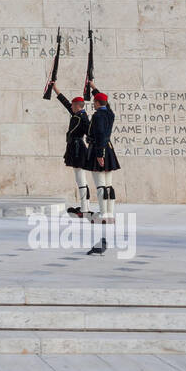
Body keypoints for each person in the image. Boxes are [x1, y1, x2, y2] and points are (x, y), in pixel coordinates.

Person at [85, 89, 121, 255]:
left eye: (95, 101)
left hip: (100, 150)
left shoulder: (98, 116)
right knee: (108, 185)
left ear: (98, 103)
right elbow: (108, 104)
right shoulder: (110, 114)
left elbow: (99, 135)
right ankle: (109, 212)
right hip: (110, 149)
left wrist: (99, 155)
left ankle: (102, 212)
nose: (93, 104)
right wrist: (94, 88)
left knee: (100, 186)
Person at [48, 81, 92, 219]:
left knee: (81, 178)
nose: (70, 107)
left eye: (72, 106)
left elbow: (90, 133)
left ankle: (85, 208)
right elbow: (65, 102)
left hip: (78, 148)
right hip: (74, 146)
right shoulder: (76, 114)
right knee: (79, 177)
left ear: (77, 106)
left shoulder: (83, 118)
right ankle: (85, 206)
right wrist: (55, 88)